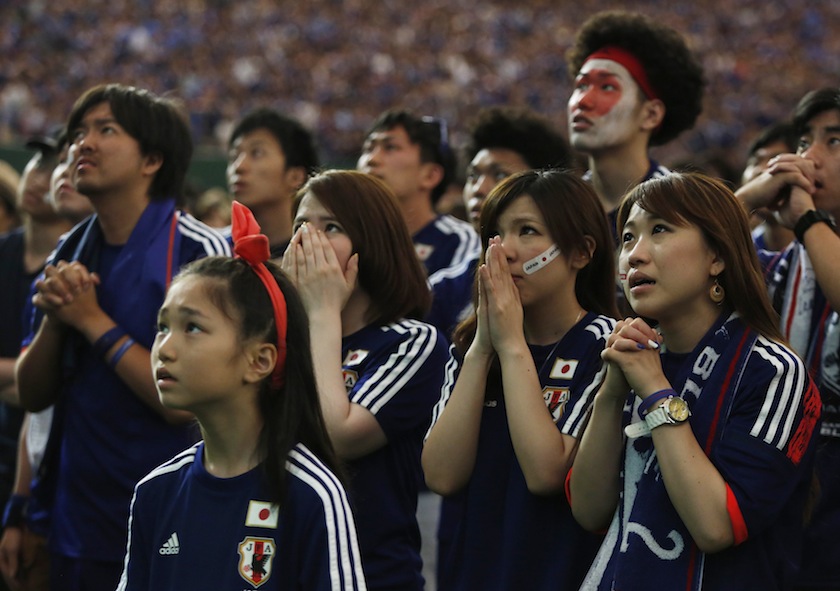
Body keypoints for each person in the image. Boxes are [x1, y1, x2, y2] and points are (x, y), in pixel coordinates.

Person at [14, 84, 230, 591]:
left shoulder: (203, 254)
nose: (81, 144)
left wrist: (91, 320)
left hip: (178, 516)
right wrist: (56, 318)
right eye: (79, 132)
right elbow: (32, 395)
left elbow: (187, 405)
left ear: (152, 159)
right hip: (78, 523)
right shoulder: (69, 251)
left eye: (105, 130)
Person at [570, 173, 820, 590]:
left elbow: (716, 526)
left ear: (717, 257)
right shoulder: (632, 359)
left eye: (660, 230)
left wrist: (656, 394)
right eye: (628, 238)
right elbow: (589, 510)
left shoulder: (773, 370)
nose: (634, 255)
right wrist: (612, 395)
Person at [117, 202, 366, 590]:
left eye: (193, 328)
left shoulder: (313, 493)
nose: (164, 348)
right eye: (162, 327)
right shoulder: (156, 490)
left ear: (259, 361)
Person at [422, 170, 617, 591]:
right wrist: (482, 349)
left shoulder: (605, 344)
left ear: (581, 252)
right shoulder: (473, 347)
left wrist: (511, 346)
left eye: (527, 231)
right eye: (495, 233)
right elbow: (441, 476)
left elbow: (547, 474)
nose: (504, 250)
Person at [282, 170, 450, 591]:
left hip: (369, 576)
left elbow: (338, 436)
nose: (309, 240)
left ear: (371, 245)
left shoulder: (413, 342)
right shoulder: (272, 339)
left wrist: (321, 314)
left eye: (332, 227)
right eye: (301, 225)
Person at [735, 87, 840, 590]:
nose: (808, 156)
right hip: (790, 500)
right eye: (805, 139)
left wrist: (806, 222)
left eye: (834, 140)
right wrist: (747, 200)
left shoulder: (809, 236)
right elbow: (675, 265)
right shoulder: (785, 268)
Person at [0, 133, 93, 591]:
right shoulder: (27, 262)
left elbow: (39, 393)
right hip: (28, 471)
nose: (41, 176)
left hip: (78, 490)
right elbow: (34, 399)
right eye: (36, 164)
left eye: (55, 163)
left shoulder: (85, 269)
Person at [566, 10, 705, 237]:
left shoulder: (681, 210)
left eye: (607, 87)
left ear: (651, 114)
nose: (583, 101)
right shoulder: (558, 209)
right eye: (581, 85)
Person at [357, 110, 480, 337]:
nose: (371, 159)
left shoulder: (459, 243)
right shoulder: (347, 241)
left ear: (430, 175)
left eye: (390, 147)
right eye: (368, 148)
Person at [227, 108, 320, 257]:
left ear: (295, 177)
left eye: (256, 153)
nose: (238, 167)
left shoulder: (316, 259)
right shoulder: (214, 250)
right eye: (234, 156)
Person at [740, 121, 797, 252]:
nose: (760, 170)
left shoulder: (824, 247)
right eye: (755, 161)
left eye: (775, 159)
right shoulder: (741, 251)